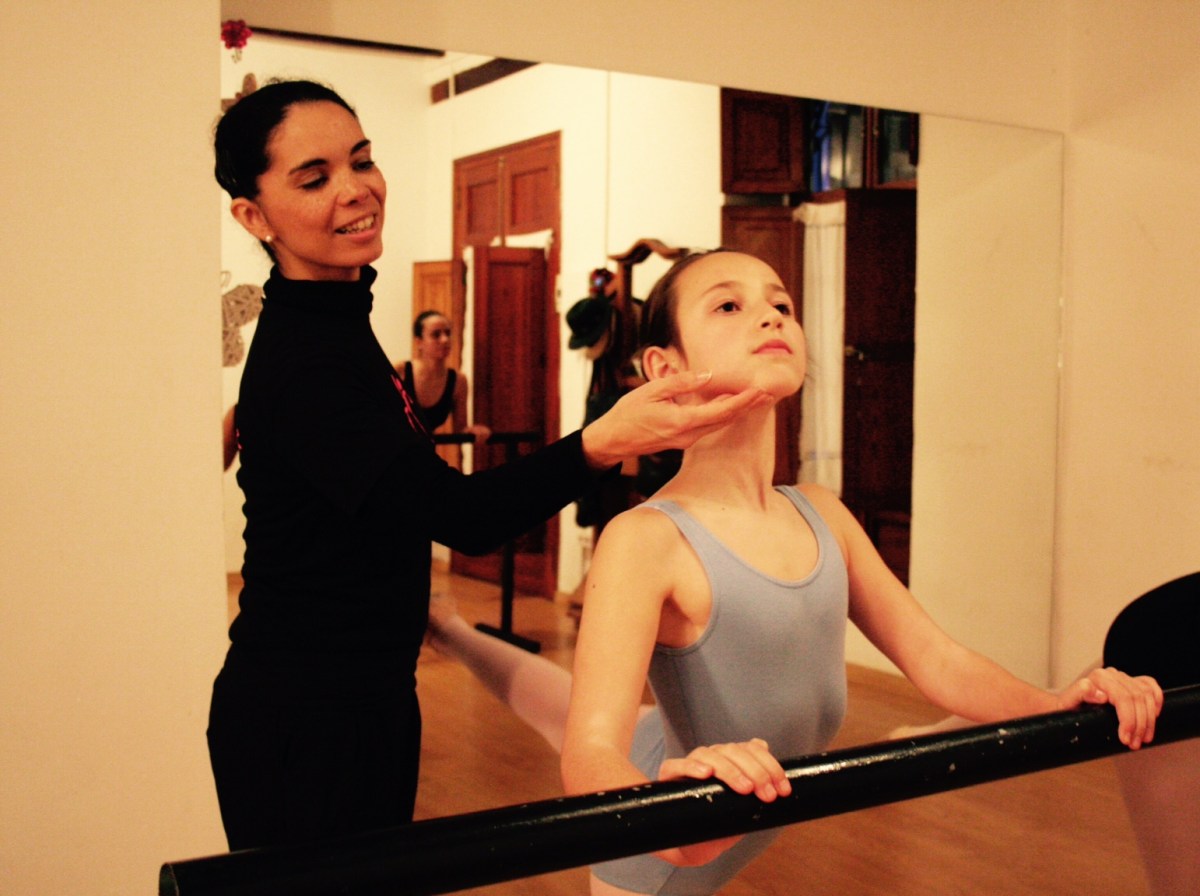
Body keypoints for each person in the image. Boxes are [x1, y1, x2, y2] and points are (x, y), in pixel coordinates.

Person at [426, 248, 1164, 896]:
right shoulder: (645, 540)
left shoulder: (821, 513)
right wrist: (668, 816)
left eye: (781, 302)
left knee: (580, 707)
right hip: (657, 861)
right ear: (665, 368)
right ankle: (449, 628)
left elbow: (936, 659)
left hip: (703, 747)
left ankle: (447, 626)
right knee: (581, 718)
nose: (772, 316)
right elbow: (590, 753)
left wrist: (1057, 702)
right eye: (729, 304)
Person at [206, 80, 770, 852]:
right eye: (314, 178)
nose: (356, 191)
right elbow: (459, 516)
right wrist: (603, 440)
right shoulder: (309, 359)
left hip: (360, 697)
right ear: (253, 214)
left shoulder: (334, 328)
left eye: (362, 161)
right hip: (306, 717)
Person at [395, 310, 490, 444]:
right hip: (390, 453)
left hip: (424, 453)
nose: (445, 340)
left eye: (448, 333)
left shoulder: (458, 381)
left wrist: (474, 431)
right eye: (436, 335)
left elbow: (460, 429)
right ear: (419, 342)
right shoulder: (400, 371)